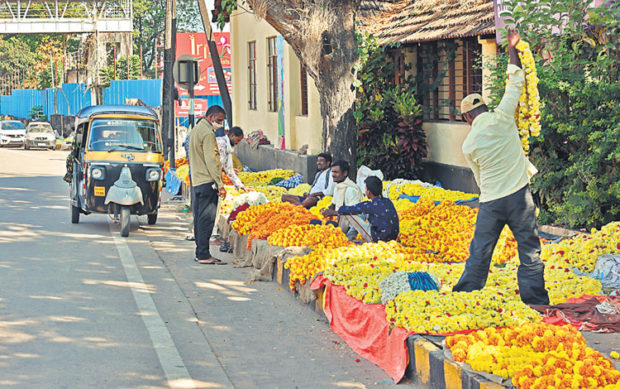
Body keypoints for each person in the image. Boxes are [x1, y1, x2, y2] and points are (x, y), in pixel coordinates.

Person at [451, 30, 549, 306]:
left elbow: (480, 179)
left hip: (492, 200)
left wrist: (492, 193)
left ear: (468, 116)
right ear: (484, 108)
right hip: (520, 196)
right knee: (529, 250)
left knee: (481, 251)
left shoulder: (469, 144)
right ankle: (536, 302)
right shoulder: (503, 115)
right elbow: (515, 82)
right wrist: (513, 48)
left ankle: (466, 295)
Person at [188, 105, 228, 265]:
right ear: (210, 117)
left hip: (197, 181)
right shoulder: (207, 132)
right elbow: (212, 160)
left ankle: (200, 252)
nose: (220, 124)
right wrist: (220, 183)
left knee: (199, 219)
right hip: (207, 182)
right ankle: (204, 255)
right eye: (218, 120)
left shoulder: (197, 129)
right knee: (206, 220)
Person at [323, 176, 399, 242]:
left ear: (368, 192)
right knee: (358, 212)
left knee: (347, 213)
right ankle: (348, 237)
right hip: (392, 237)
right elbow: (361, 207)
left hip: (377, 239)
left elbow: (348, 210)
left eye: (365, 188)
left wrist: (335, 212)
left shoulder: (371, 206)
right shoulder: (387, 201)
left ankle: (341, 237)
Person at [320, 160, 363, 239]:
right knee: (315, 223)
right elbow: (333, 205)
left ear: (345, 173)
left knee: (327, 227)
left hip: (348, 227)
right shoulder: (338, 186)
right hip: (338, 221)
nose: (333, 175)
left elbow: (353, 213)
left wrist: (333, 212)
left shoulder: (351, 190)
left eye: (336, 172)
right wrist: (327, 209)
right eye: (332, 172)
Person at [216, 126, 249, 192]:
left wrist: (241, 186)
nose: (238, 143)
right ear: (232, 136)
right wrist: (226, 169)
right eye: (238, 140)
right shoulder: (221, 143)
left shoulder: (227, 145)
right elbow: (217, 164)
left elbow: (226, 167)